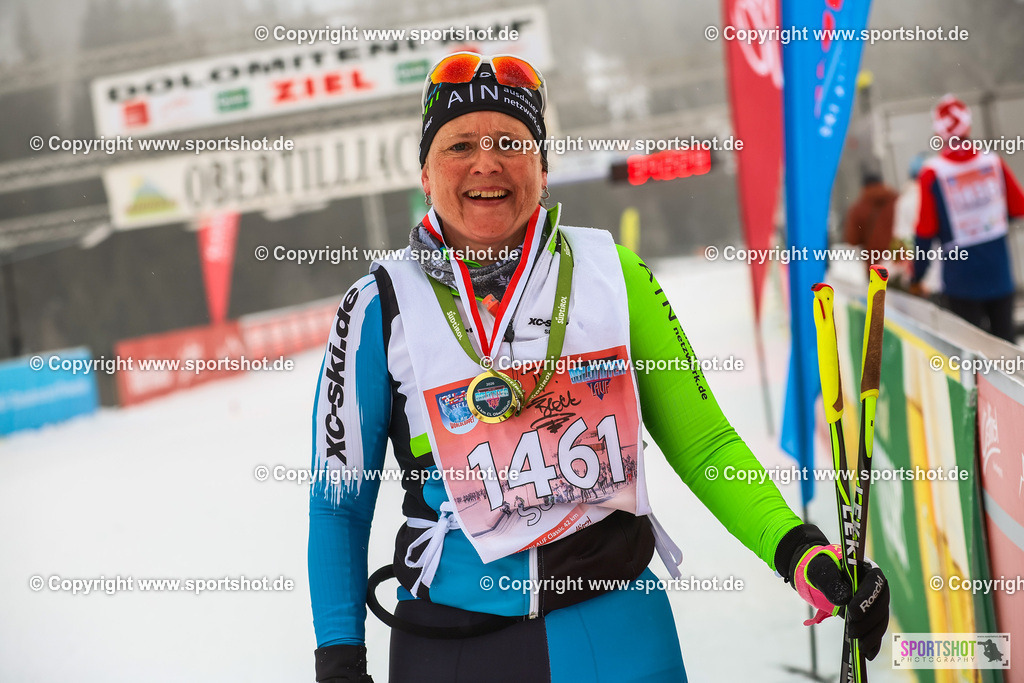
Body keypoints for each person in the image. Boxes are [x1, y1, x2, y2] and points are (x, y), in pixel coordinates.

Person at [307, 52, 890, 682]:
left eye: (511, 140)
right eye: (459, 145)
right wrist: (339, 657)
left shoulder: (614, 274)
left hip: (616, 630)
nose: (486, 162)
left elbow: (705, 445)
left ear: (543, 166)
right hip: (453, 642)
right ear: (425, 171)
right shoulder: (379, 306)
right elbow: (339, 503)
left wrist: (798, 550)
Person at [910, 94, 1024, 342]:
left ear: (939, 132)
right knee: (1007, 355)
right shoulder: (992, 162)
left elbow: (925, 231)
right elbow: (1018, 208)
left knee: (970, 357)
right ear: (968, 126)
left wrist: (916, 276)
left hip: (960, 281)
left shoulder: (933, 172)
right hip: (999, 274)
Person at [843, 174, 899, 275]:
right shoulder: (896, 200)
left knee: (879, 289)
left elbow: (853, 240)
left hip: (874, 260)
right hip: (898, 258)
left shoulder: (858, 208)